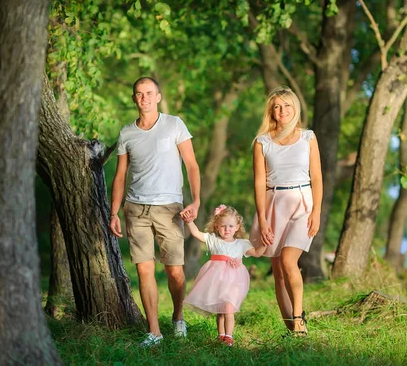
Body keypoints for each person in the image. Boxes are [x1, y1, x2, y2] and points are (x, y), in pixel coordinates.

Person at [109, 77, 201, 347]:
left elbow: (192, 165)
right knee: (144, 270)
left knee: (175, 272)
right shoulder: (127, 133)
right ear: (134, 99)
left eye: (149, 93)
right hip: (135, 209)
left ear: (158, 97)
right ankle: (154, 331)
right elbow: (120, 176)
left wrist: (195, 201)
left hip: (169, 209)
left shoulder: (174, 124)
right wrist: (114, 212)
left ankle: (178, 317)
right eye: (139, 94)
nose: (144, 98)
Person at [249, 86, 322, 336]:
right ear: (271, 110)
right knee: (279, 270)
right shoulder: (262, 142)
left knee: (290, 260)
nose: (282, 111)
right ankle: (290, 327)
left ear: (295, 108)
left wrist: (317, 212)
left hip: (303, 203)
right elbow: (259, 182)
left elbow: (317, 178)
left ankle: (299, 319)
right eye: (277, 106)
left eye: (287, 105)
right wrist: (262, 218)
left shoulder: (308, 137)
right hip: (274, 203)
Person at [180, 204, 267, 347]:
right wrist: (189, 222)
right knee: (221, 311)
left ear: (238, 227)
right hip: (216, 279)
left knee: (228, 308)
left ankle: (229, 336)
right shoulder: (213, 239)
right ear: (216, 226)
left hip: (234, 281)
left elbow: (257, 253)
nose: (227, 229)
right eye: (223, 226)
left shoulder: (242, 243)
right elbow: (196, 234)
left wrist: (265, 243)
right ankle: (221, 335)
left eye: (231, 226)